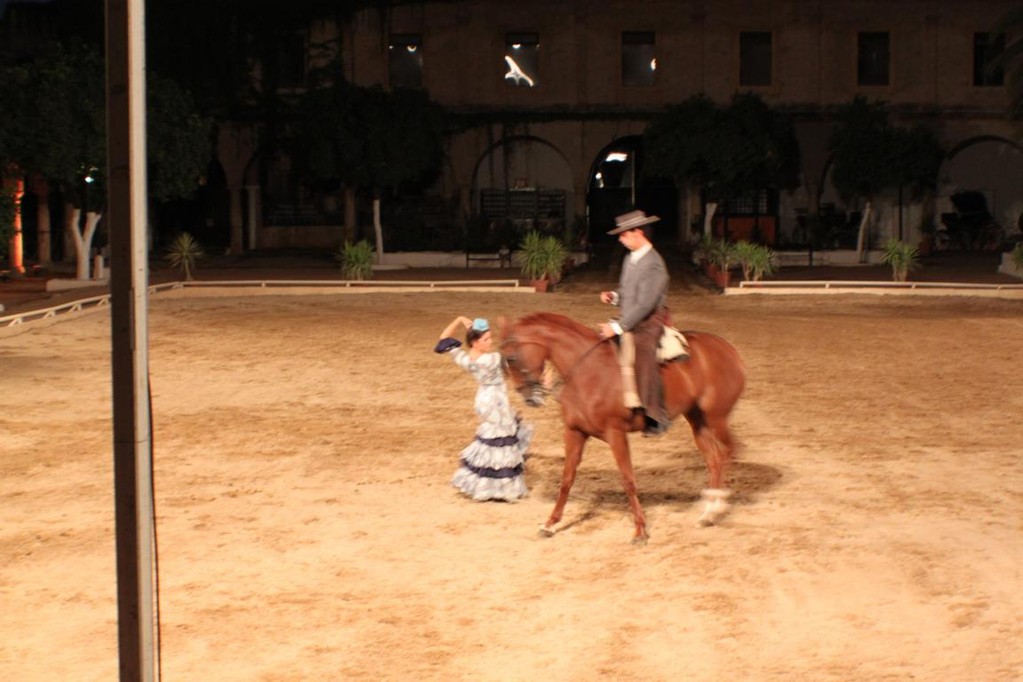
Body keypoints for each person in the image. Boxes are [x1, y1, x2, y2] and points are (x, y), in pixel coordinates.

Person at [434, 315, 532, 501]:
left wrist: (459, 320)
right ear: (475, 342)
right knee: (501, 441)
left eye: (490, 338)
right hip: (496, 401)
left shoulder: (464, 358)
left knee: (491, 438)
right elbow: (513, 357)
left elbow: (443, 339)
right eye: (486, 339)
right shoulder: (491, 359)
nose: (490, 342)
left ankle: (484, 483)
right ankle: (499, 488)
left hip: (483, 399)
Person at [597, 210, 671, 436]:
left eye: (623, 234)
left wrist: (617, 327)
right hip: (630, 316)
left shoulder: (655, 265)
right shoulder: (630, 259)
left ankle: (655, 416)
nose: (620, 239)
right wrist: (614, 296)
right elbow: (627, 292)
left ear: (638, 232)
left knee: (643, 354)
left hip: (649, 322)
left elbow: (645, 304)